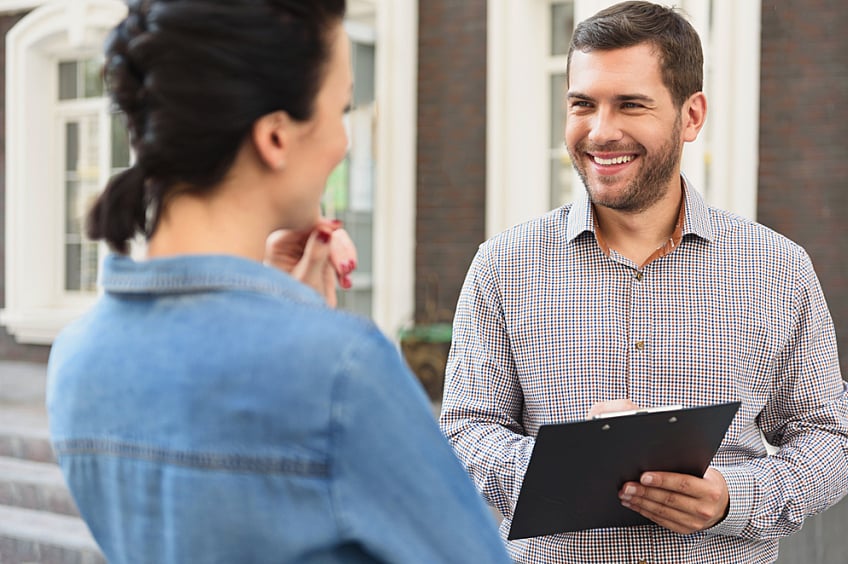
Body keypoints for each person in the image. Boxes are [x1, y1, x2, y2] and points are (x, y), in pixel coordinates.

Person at [46, 1, 512, 563]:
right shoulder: (341, 368)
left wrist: (282, 308)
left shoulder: (77, 355)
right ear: (275, 137)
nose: (344, 141)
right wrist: (299, 330)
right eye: (342, 109)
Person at [440, 1, 848, 563]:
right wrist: (568, 467)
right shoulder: (502, 266)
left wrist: (734, 498)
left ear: (691, 116)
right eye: (583, 104)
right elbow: (466, 431)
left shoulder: (778, 268)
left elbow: (829, 438)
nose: (601, 131)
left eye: (631, 104)